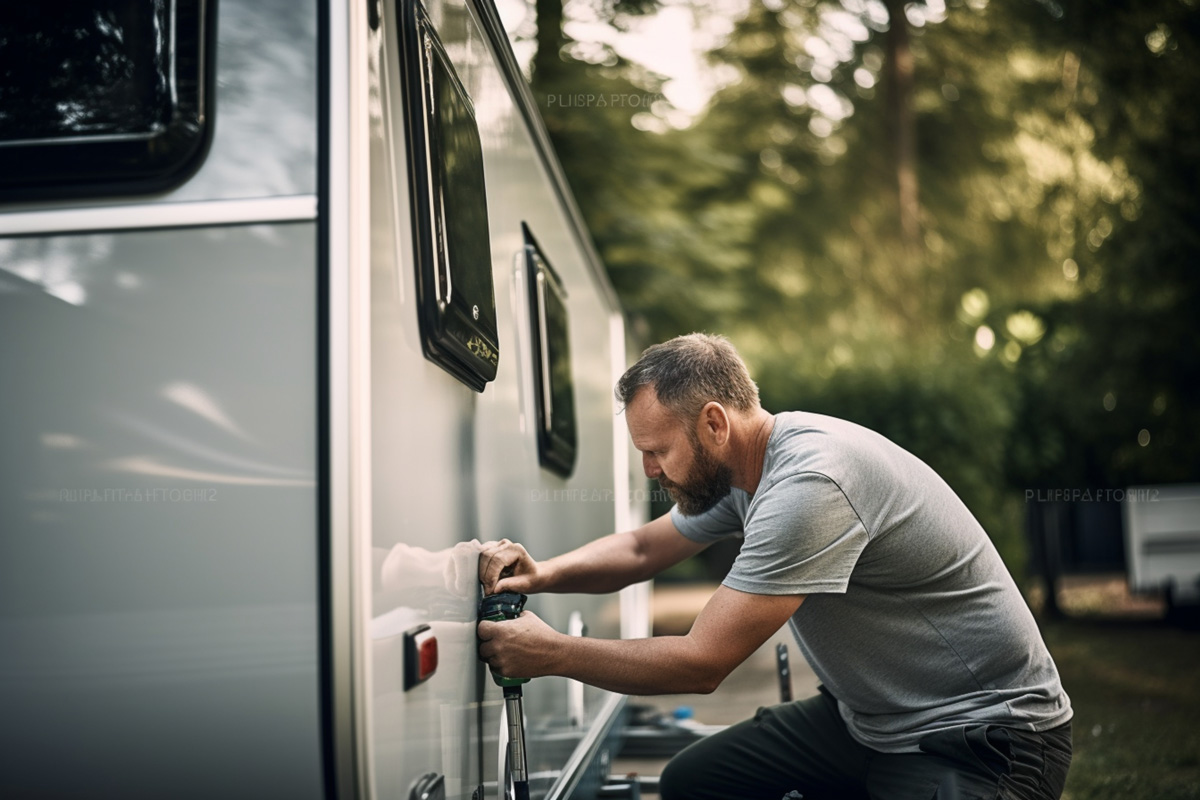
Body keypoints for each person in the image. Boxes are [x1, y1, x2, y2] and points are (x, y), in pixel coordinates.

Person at [478, 333, 1072, 800]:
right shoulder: (744, 474)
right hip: (868, 721)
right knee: (695, 784)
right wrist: (544, 572)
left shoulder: (809, 485)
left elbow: (702, 661)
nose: (649, 472)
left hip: (984, 737)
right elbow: (642, 550)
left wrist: (552, 653)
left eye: (657, 451)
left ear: (714, 423)